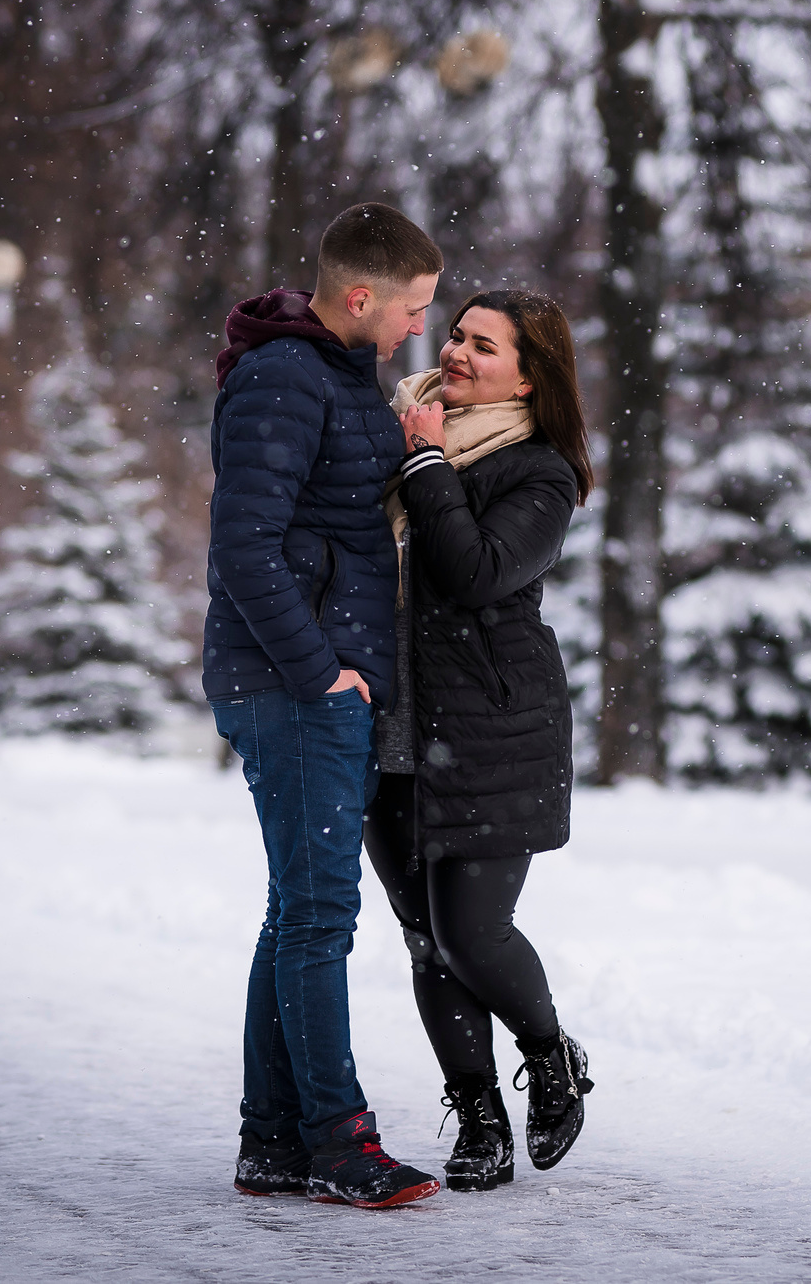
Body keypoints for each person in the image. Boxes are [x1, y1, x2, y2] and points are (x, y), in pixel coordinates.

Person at [206, 202, 444, 1209]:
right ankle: (342, 1145)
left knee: (294, 914)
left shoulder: (338, 376)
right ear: (360, 298)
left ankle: (273, 1141)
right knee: (319, 919)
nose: (417, 332)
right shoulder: (284, 380)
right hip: (292, 685)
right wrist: (318, 673)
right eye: (412, 311)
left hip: (304, 679)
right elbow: (246, 548)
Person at [367, 289, 595, 1193]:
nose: (457, 351)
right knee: (424, 938)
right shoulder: (401, 430)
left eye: (483, 345)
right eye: (456, 334)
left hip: (492, 728)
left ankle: (550, 1052)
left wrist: (425, 461)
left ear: (529, 375)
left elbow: (475, 573)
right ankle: (480, 1115)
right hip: (390, 721)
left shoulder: (541, 472)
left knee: (472, 932)